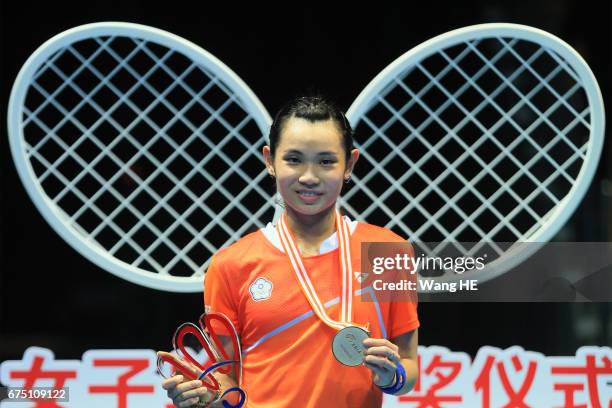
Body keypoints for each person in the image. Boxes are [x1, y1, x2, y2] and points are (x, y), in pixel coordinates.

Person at [160, 95, 419, 407]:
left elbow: (409, 363)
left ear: (350, 164)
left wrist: (393, 376)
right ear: (270, 160)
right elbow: (227, 378)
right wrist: (207, 396)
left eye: (326, 161)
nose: (309, 177)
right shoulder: (230, 265)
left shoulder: (388, 252)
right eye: (293, 160)